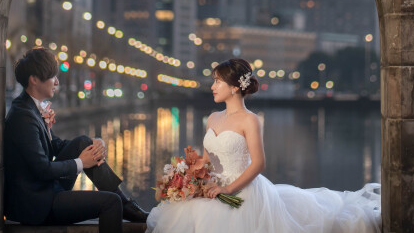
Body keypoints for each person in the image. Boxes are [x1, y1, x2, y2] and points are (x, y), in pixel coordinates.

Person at [146, 58, 381, 233]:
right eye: (214, 81)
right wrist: (185, 174)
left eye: (217, 81)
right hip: (212, 186)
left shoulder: (250, 120)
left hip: (242, 190)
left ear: (234, 87)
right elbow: (207, 158)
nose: (212, 86)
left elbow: (258, 163)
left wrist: (228, 190)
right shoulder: (212, 117)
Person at [4, 47, 149, 230]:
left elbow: (54, 145)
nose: (57, 81)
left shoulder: (29, 107)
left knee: (83, 142)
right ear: (34, 79)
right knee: (111, 203)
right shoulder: (23, 117)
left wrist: (93, 144)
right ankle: (124, 205)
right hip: (36, 204)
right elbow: (42, 169)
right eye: (52, 77)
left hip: (43, 190)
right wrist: (81, 162)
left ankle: (127, 205)